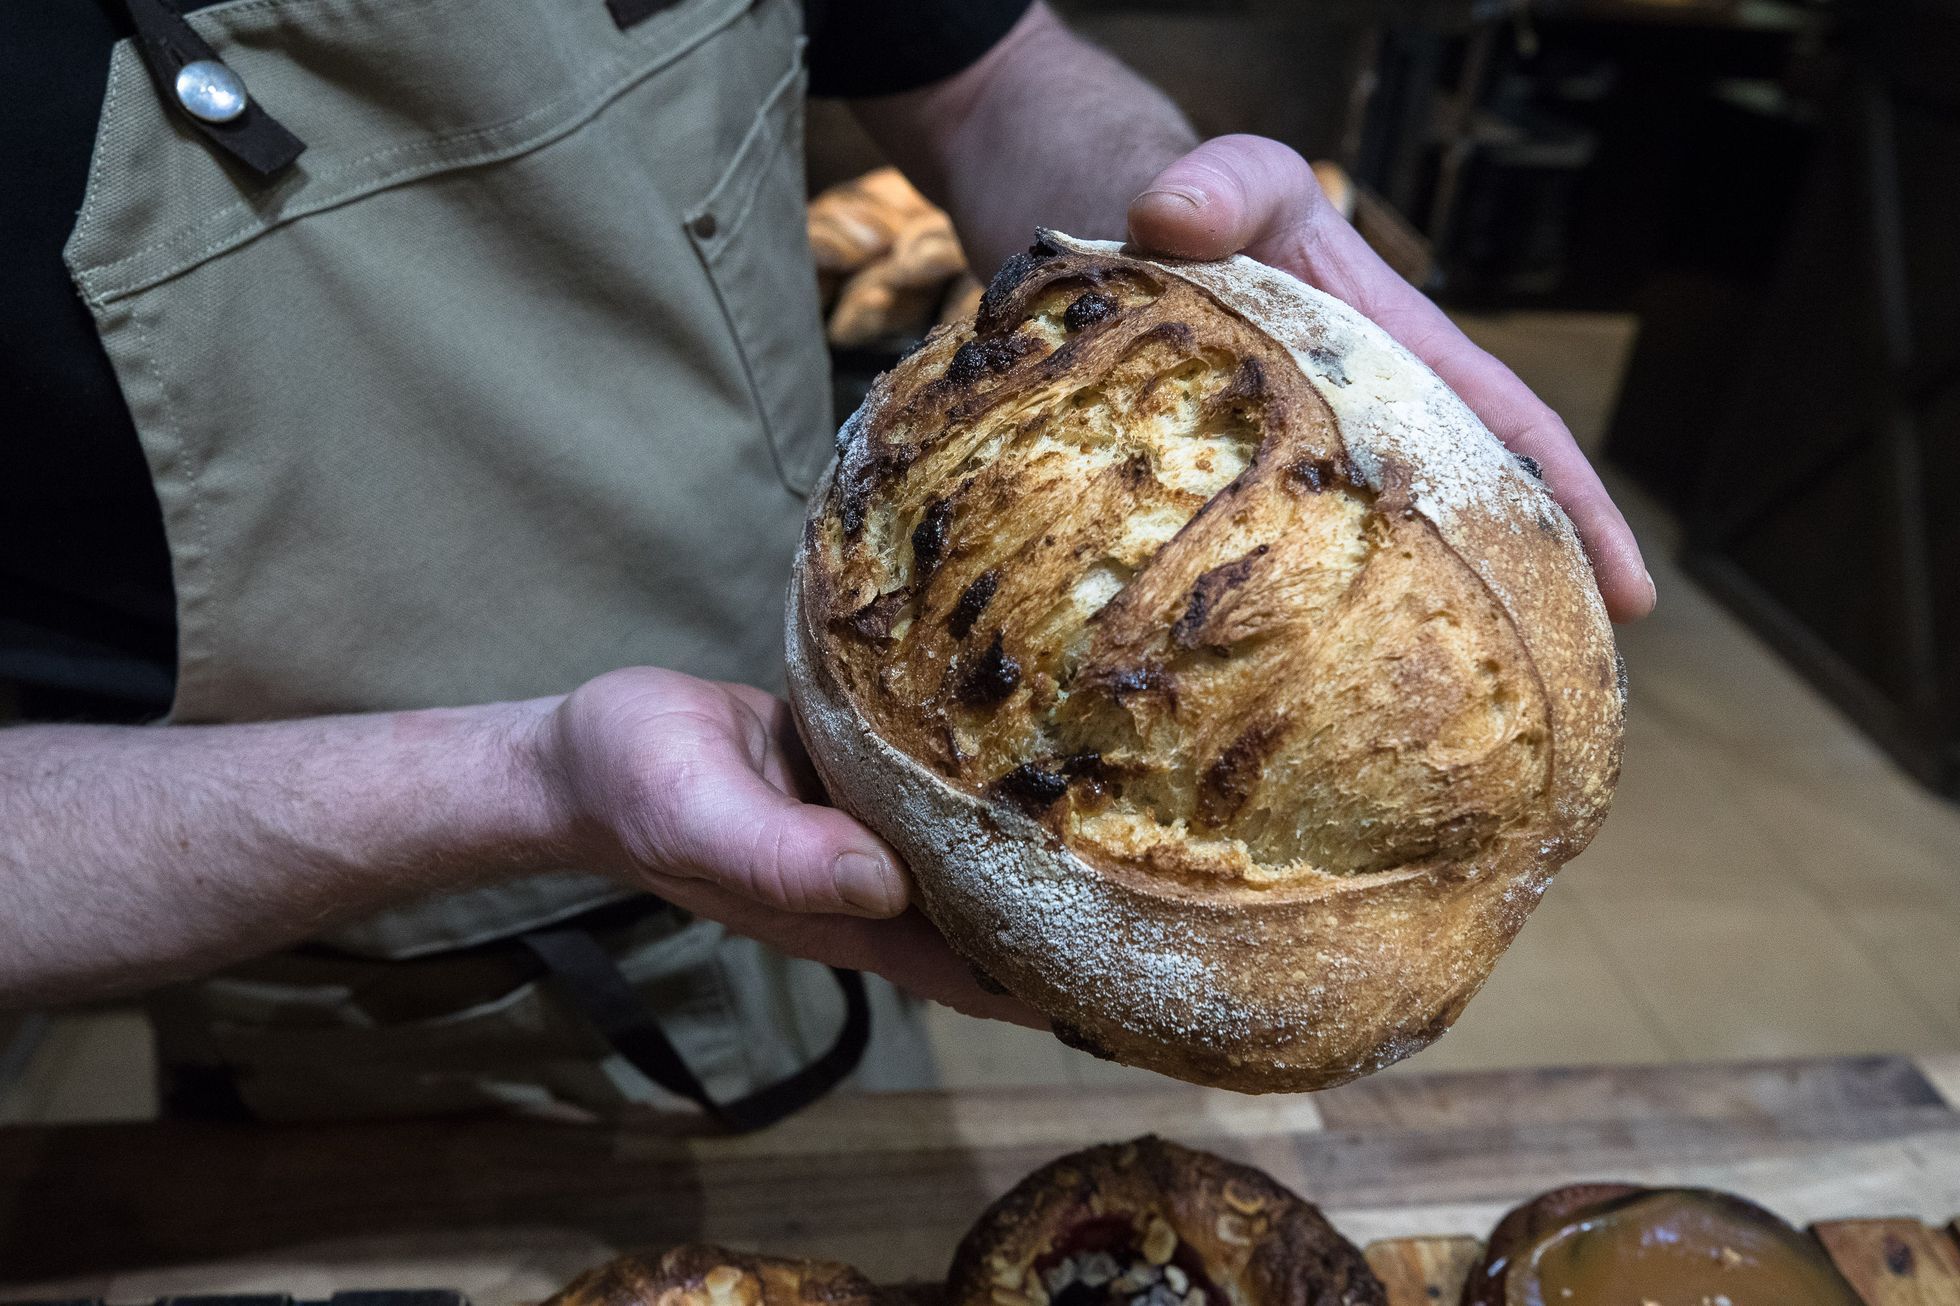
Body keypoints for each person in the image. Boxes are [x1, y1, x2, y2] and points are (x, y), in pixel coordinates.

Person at [0, 0, 1652, 1123]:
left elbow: (987, 68)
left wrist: (1185, 229)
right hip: (375, 1019)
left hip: (879, 813)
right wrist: (523, 775)